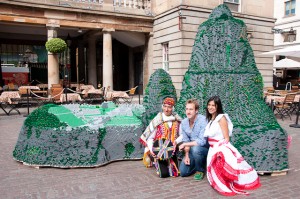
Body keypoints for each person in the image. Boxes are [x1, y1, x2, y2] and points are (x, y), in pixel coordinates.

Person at [204, 96, 261, 196]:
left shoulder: (221, 118)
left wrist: (220, 149)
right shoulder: (211, 119)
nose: (210, 107)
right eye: (209, 105)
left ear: (218, 107)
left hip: (219, 147)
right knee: (213, 177)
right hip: (212, 149)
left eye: (213, 105)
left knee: (227, 172)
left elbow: (226, 138)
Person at [140, 97, 182, 178]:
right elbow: (150, 137)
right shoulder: (157, 120)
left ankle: (170, 161)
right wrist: (152, 150)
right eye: (165, 106)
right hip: (159, 151)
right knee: (163, 174)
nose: (166, 109)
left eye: (169, 107)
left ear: (172, 108)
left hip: (171, 150)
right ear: (162, 107)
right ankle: (155, 160)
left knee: (174, 173)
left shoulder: (177, 120)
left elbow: (183, 135)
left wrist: (176, 142)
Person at [178, 99, 209, 180]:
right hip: (191, 150)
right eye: (187, 109)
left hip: (204, 149)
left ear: (196, 111)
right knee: (183, 172)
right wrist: (187, 155)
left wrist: (185, 144)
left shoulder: (203, 120)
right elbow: (186, 140)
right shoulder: (184, 122)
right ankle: (195, 163)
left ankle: (200, 170)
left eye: (191, 109)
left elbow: (201, 142)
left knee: (196, 149)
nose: (188, 112)